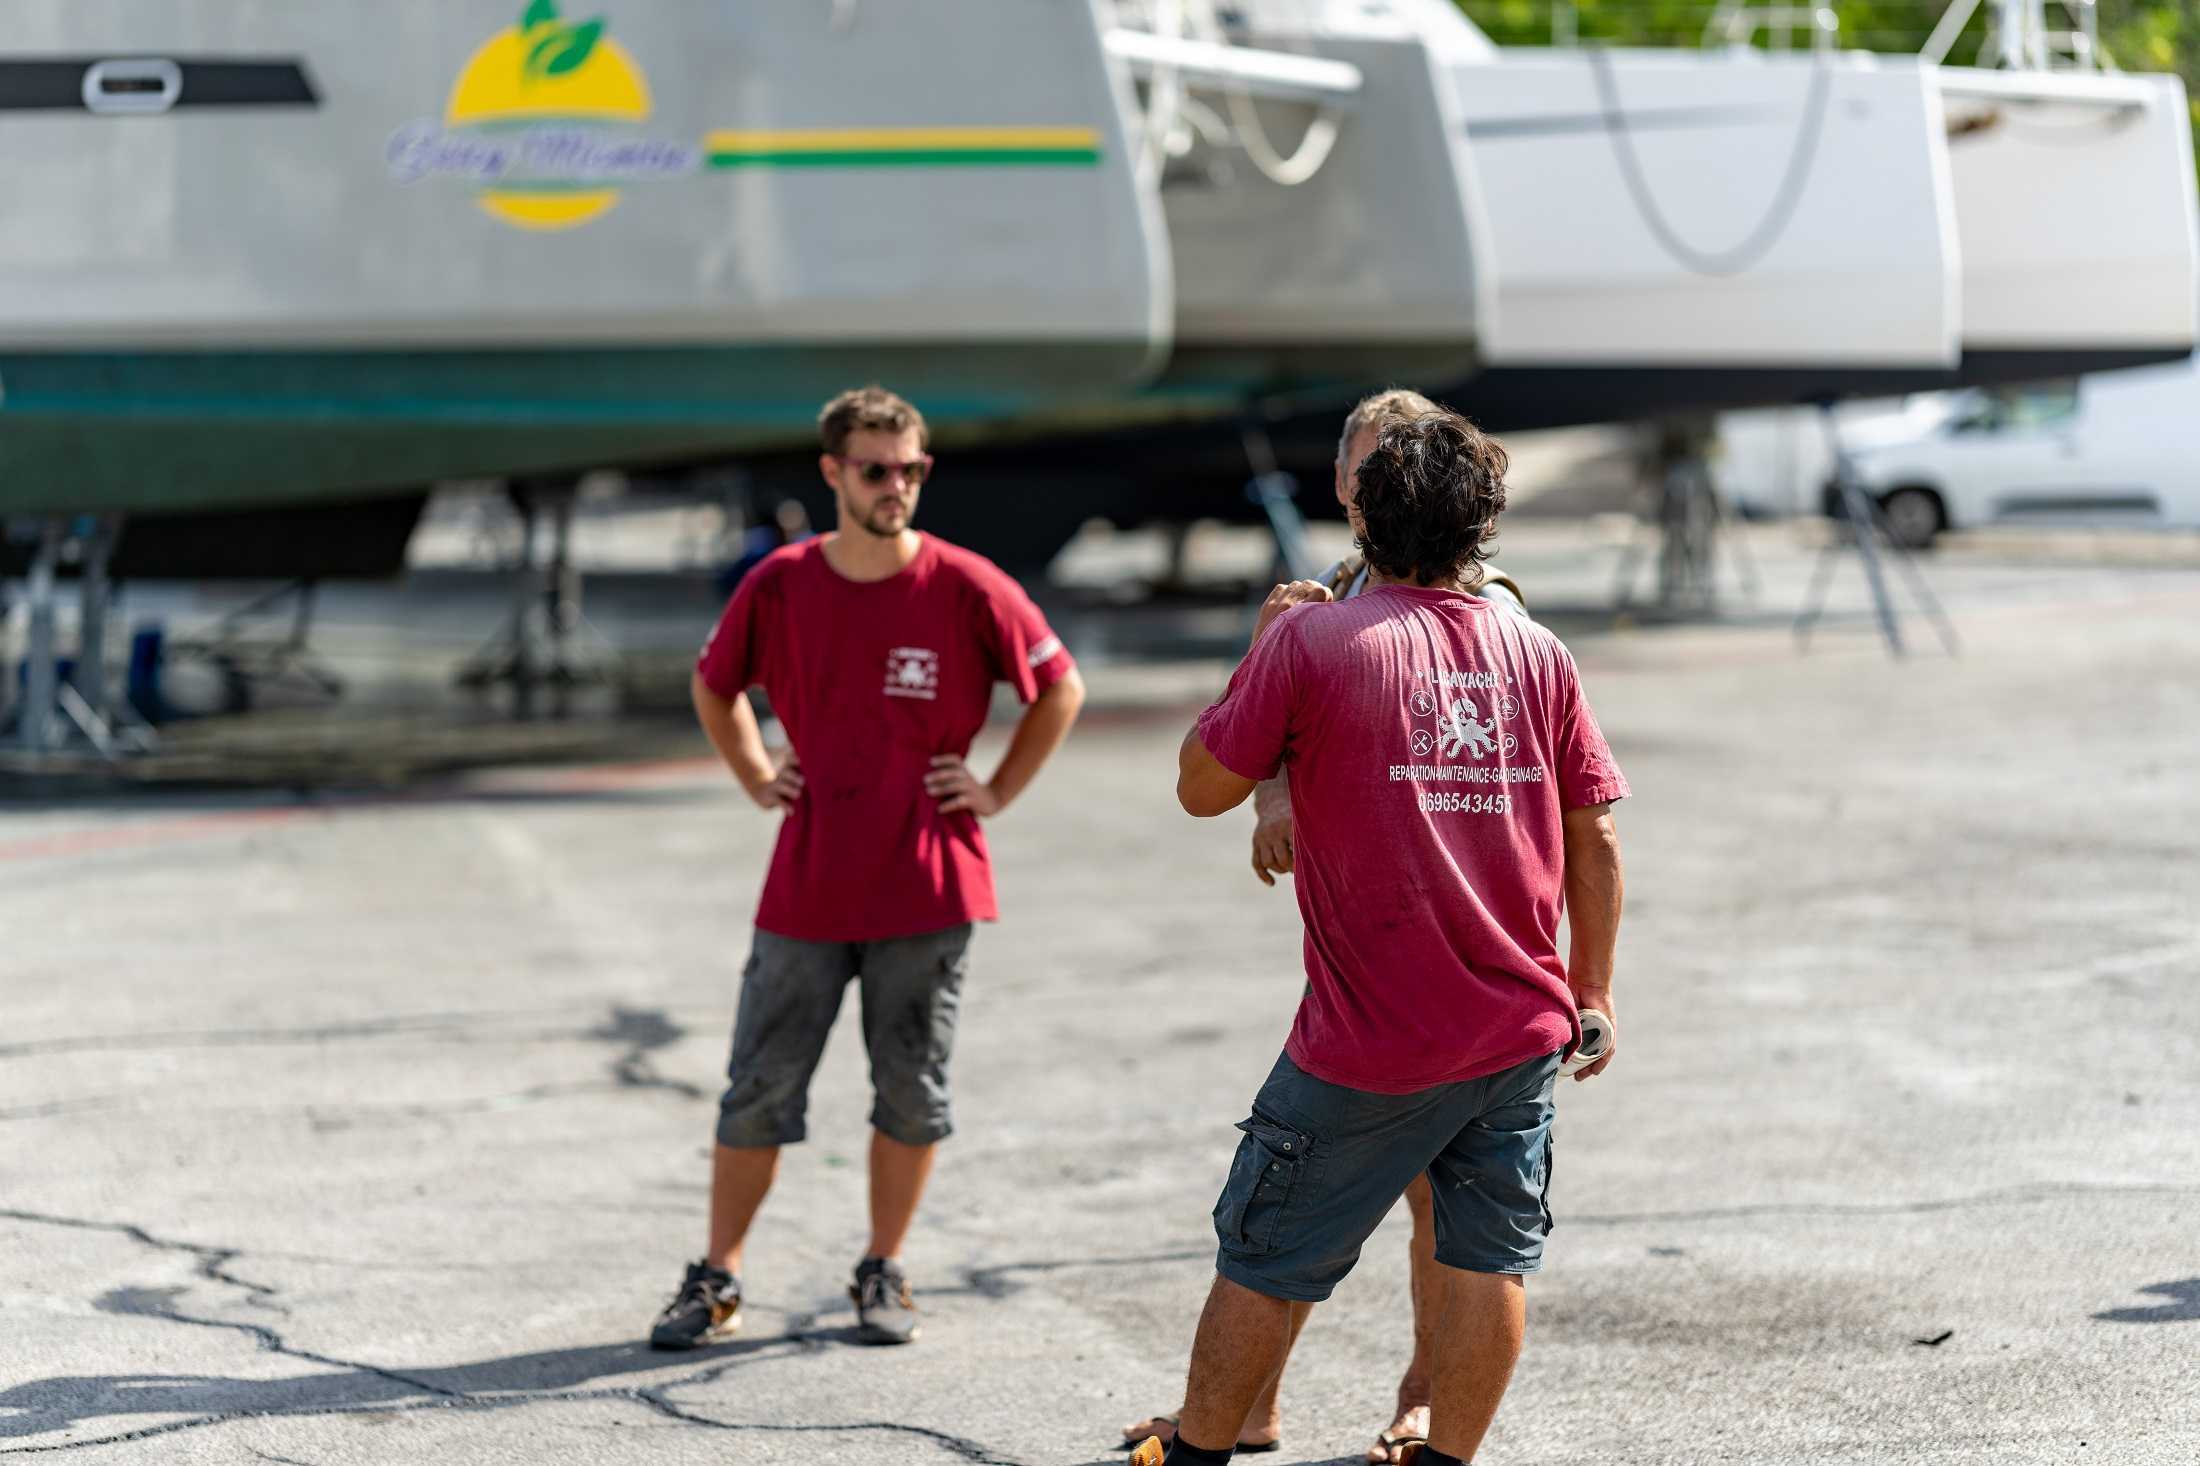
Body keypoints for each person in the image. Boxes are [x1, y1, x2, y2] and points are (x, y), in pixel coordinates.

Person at [1131, 407, 1627, 1466]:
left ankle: (1202, 1446)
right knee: (1487, 1258)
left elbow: (1199, 788)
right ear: (1480, 523)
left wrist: (1257, 654)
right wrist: (1595, 990)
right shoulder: (1540, 651)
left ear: (1367, 523)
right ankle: (1443, 1456)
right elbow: (1596, 836)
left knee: (1264, 1251)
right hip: (1517, 1034)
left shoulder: (1313, 639)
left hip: (1365, 1042)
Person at [650, 385, 1086, 1350]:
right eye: (878, 470)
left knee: (909, 1090)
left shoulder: (969, 585)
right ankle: (717, 1276)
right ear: (834, 474)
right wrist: (759, 774)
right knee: (757, 1086)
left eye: (913, 470)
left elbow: (1059, 687)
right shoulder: (782, 583)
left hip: (928, 885)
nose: (898, 487)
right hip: (806, 884)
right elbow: (714, 684)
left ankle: (883, 1267)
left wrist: (997, 789)